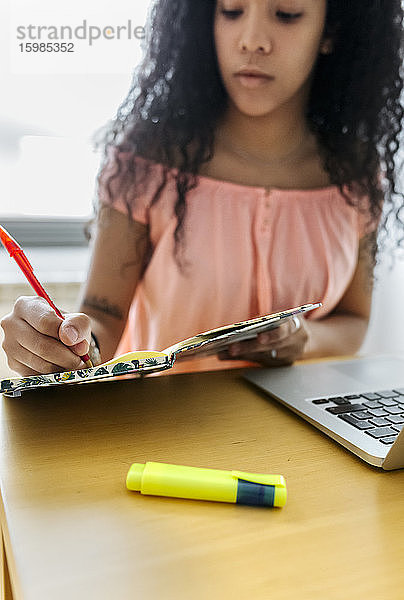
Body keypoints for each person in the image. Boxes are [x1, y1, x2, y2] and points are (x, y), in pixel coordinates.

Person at [2, 0, 404, 376]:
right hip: (164, 430)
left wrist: (304, 339)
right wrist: (61, 345)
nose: (251, 40)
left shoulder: (358, 174)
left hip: (298, 441)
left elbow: (354, 321)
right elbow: (101, 319)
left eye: (286, 14)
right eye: (231, 11)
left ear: (332, 29)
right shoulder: (146, 159)